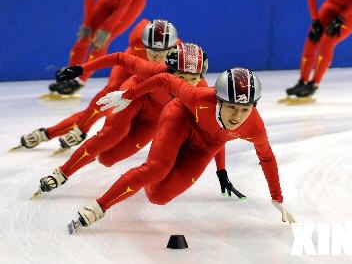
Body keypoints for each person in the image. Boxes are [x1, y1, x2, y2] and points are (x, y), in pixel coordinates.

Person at [60, 68, 293, 233]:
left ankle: (157, 166)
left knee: (158, 196)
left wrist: (277, 198)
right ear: (219, 101)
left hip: (206, 145)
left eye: (245, 110)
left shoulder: (254, 127)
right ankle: (98, 207)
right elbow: (163, 79)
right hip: (181, 118)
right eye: (232, 107)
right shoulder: (198, 97)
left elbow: (267, 157)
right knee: (156, 169)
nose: (237, 116)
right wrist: (128, 95)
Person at [34, 44, 245, 201]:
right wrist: (81, 69)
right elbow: (119, 57)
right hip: (135, 98)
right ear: (170, 71)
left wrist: (221, 170)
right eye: (181, 76)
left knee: (108, 158)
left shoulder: (201, 93)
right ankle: (62, 173)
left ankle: (91, 153)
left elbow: (216, 131)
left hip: (152, 121)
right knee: (110, 135)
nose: (186, 84)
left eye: (193, 78)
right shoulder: (153, 72)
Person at [17, 19, 177, 151]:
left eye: (163, 51)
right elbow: (115, 58)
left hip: (152, 80)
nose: (156, 55)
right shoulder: (136, 41)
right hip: (131, 67)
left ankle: (53, 133)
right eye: (152, 50)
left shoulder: (178, 55)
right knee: (107, 98)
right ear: (143, 44)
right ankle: (57, 132)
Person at [49, 0, 147, 95]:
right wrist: (87, 23)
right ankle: (70, 75)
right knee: (84, 38)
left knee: (100, 41)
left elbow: (123, 6)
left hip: (131, 5)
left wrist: (107, 29)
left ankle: (80, 81)